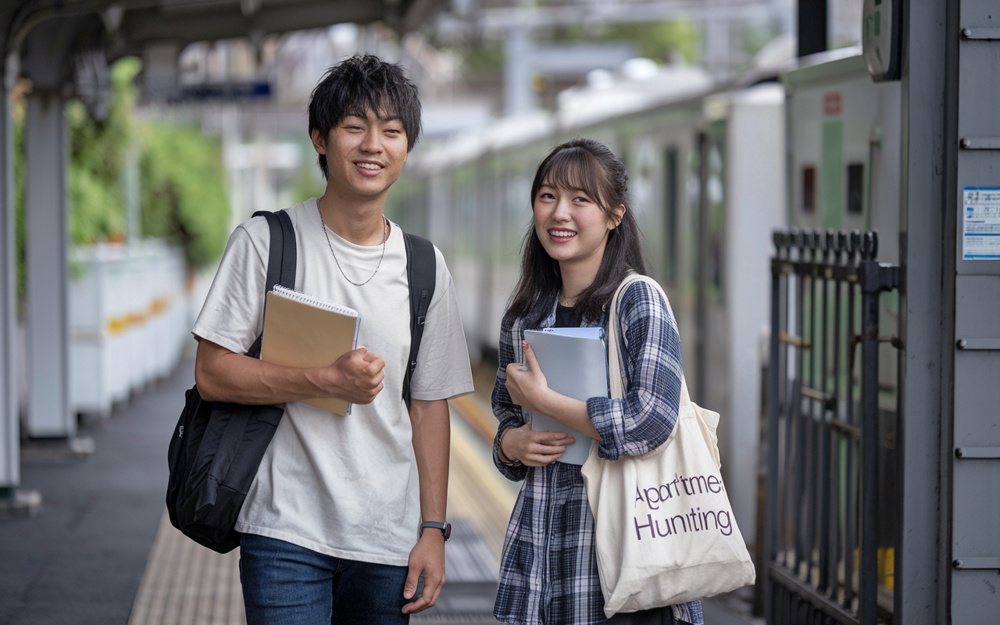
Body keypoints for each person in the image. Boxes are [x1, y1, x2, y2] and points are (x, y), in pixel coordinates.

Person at [191, 53, 474, 624]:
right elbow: (212, 371)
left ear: (407, 149)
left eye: (392, 131)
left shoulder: (424, 266)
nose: (374, 145)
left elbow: (428, 405)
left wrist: (433, 530)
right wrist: (322, 379)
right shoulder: (267, 242)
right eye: (355, 127)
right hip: (283, 530)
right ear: (320, 139)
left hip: (388, 540)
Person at [490, 137, 705, 625]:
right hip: (544, 552)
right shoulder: (524, 317)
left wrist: (548, 401)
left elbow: (652, 420)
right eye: (547, 196)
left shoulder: (637, 302)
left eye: (580, 200)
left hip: (625, 558)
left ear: (615, 216)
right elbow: (506, 419)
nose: (559, 213)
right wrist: (511, 444)